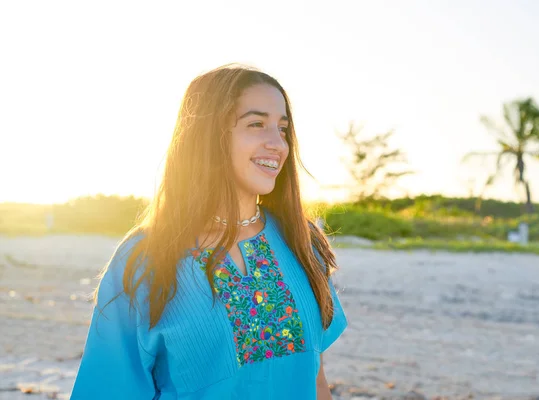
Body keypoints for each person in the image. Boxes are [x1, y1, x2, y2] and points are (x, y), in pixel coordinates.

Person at [70, 64, 348, 399]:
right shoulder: (145, 259)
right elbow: (108, 390)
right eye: (257, 124)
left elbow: (316, 379)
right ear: (208, 135)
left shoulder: (300, 241)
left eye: (283, 128)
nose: (278, 144)